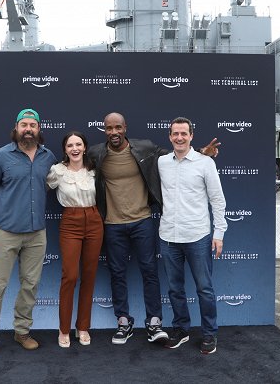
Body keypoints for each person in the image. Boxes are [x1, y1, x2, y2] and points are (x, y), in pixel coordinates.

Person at [88, 112, 219, 345]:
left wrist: (201, 151)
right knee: (120, 275)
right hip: (118, 225)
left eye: (118, 127)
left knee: (159, 275)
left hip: (149, 223)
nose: (114, 132)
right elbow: (76, 164)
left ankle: (159, 323)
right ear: (104, 130)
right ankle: (126, 322)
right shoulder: (97, 153)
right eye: (109, 128)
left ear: (125, 127)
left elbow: (181, 156)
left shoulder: (146, 149)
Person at [0, 108, 57, 359]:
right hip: (6, 233)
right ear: (16, 128)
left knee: (30, 286)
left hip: (36, 234)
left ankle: (22, 332)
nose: (28, 129)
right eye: (24, 125)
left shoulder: (48, 156)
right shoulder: (2, 155)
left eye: (33, 125)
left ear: (39, 129)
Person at [158, 117, 227, 354]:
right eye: (175, 134)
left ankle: (209, 334)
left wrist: (219, 232)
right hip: (169, 236)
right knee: (175, 289)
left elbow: (217, 199)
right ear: (169, 136)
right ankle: (181, 329)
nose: (179, 138)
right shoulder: (161, 162)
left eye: (184, 134)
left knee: (204, 288)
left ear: (191, 136)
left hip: (198, 236)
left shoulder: (205, 163)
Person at [46, 132, 103, 348]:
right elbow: (38, 187)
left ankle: (83, 327)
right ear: (65, 150)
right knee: (70, 275)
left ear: (85, 147)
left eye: (78, 144)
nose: (75, 148)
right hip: (70, 221)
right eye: (70, 145)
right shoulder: (57, 171)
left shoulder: (95, 171)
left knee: (89, 275)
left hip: (95, 219)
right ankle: (63, 330)